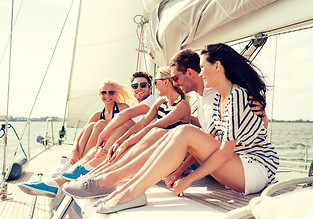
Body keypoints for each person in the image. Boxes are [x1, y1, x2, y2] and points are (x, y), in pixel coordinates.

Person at [62, 47, 271, 202]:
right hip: (227, 165)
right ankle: (104, 177)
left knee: (176, 131)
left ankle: (113, 183)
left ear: (192, 72)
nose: (174, 83)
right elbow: (211, 140)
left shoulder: (223, 94)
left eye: (176, 77)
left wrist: (187, 177)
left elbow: (240, 136)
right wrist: (179, 171)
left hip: (242, 165)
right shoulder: (206, 98)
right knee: (159, 134)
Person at [18, 72, 157, 197]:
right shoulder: (137, 106)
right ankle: (57, 181)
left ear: (151, 88)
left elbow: (127, 119)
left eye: (143, 85)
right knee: (93, 147)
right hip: (131, 144)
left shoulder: (152, 101)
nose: (139, 88)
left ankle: (72, 174)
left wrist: (104, 133)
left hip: (144, 146)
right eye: (135, 86)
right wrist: (76, 149)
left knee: (120, 124)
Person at [51, 79, 133, 178]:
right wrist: (74, 151)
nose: (107, 96)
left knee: (100, 123)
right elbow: (80, 135)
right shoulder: (98, 114)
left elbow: (127, 129)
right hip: (99, 146)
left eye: (111, 93)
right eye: (104, 92)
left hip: (114, 144)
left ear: (115, 94)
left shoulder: (123, 108)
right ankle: (74, 162)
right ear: (100, 94)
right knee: (90, 126)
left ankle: (77, 165)